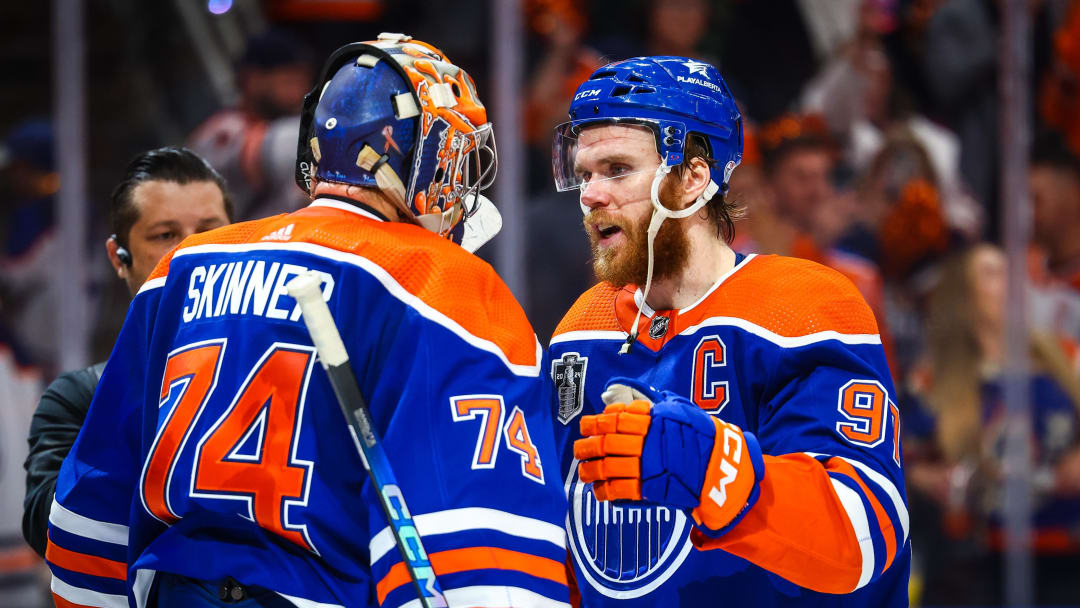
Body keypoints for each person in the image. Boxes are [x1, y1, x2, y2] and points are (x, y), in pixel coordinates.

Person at [44, 34, 569, 608]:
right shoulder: (442, 280)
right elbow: (480, 554)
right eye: (456, 155)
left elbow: (95, 504)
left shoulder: (184, 266)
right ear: (420, 154)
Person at [547, 56, 908, 605]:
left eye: (617, 169)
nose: (591, 194)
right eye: (584, 173)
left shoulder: (801, 307)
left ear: (693, 176)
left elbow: (863, 538)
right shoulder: (580, 329)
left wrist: (717, 468)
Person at [22, 146, 234, 558]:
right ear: (118, 258)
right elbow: (45, 525)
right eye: (165, 235)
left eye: (211, 230)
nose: (192, 251)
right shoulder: (79, 397)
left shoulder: (288, 368)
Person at [903, 244, 1080, 605]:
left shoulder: (1068, 358)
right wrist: (928, 479)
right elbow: (892, 458)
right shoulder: (932, 378)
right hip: (971, 565)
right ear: (964, 296)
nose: (1012, 280)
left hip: (1063, 554)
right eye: (992, 273)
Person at [187, 29, 312, 221]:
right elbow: (276, 149)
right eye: (289, 81)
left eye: (302, 80)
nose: (300, 91)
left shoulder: (284, 124)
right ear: (253, 80)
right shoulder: (220, 132)